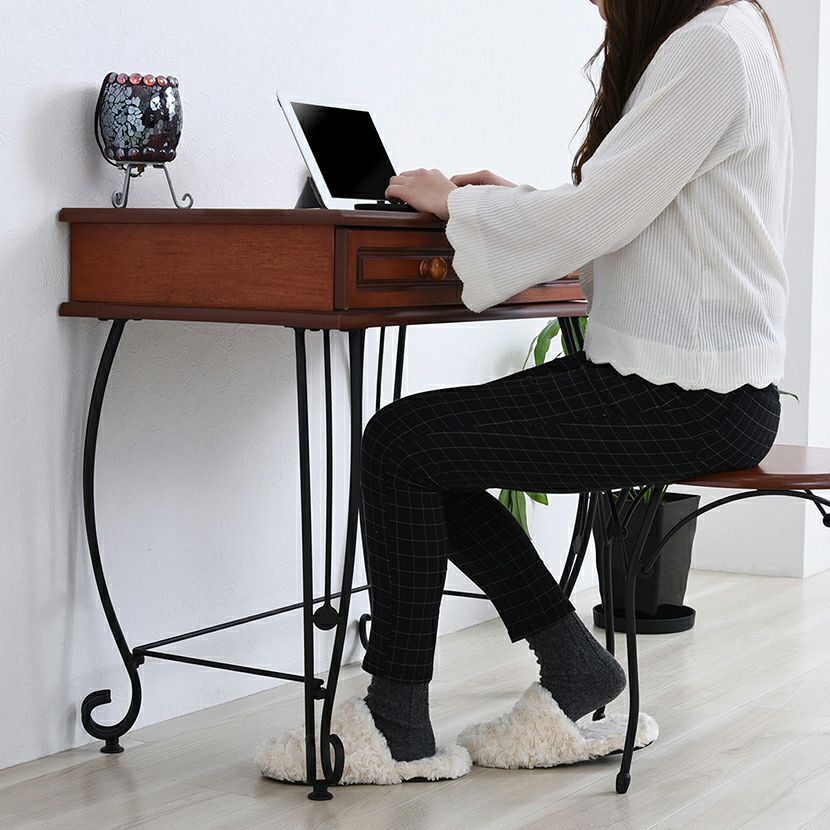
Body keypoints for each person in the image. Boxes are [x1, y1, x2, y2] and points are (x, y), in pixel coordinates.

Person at [361, 0, 792, 766]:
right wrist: (511, 203)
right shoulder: (724, 36)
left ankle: (394, 729)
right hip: (694, 386)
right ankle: (568, 664)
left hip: (687, 393)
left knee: (401, 446)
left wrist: (460, 203)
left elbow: (603, 213)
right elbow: (636, 212)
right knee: (419, 451)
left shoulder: (711, 47)